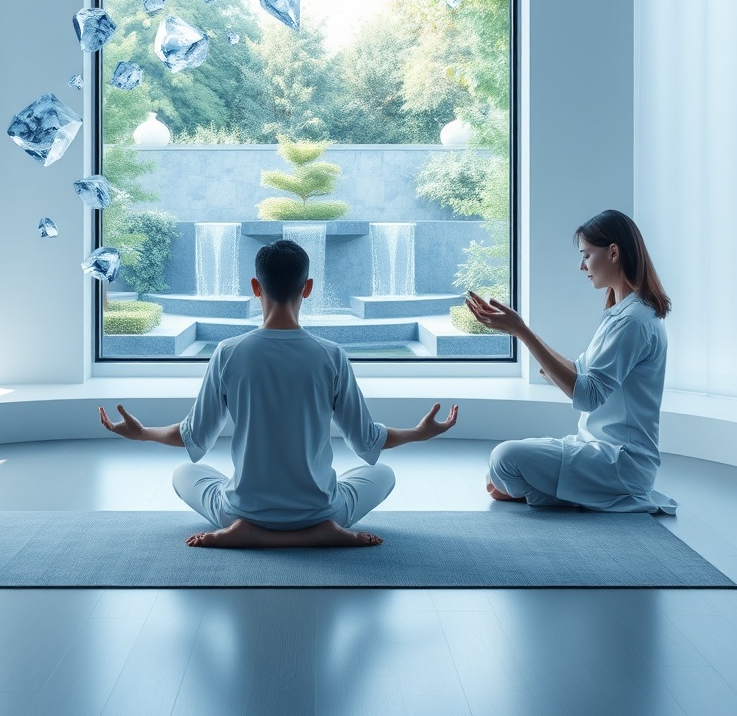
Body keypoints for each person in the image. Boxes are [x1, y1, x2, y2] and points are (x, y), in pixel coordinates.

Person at [99, 238, 459, 548]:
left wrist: (142, 433)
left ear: (256, 287)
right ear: (308, 287)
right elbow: (367, 443)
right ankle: (317, 533)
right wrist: (418, 432)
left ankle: (251, 531)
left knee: (184, 473)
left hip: (239, 511)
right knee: (384, 475)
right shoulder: (331, 355)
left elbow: (193, 438)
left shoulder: (227, 352)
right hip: (322, 511)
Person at [466, 209, 677, 514]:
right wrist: (524, 333)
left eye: (587, 255)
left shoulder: (633, 321)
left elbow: (588, 396)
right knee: (500, 467)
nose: (582, 266)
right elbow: (579, 370)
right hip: (596, 449)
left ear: (614, 252)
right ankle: (568, 492)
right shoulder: (623, 313)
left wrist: (521, 332)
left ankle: (570, 494)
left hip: (620, 462)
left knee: (504, 458)